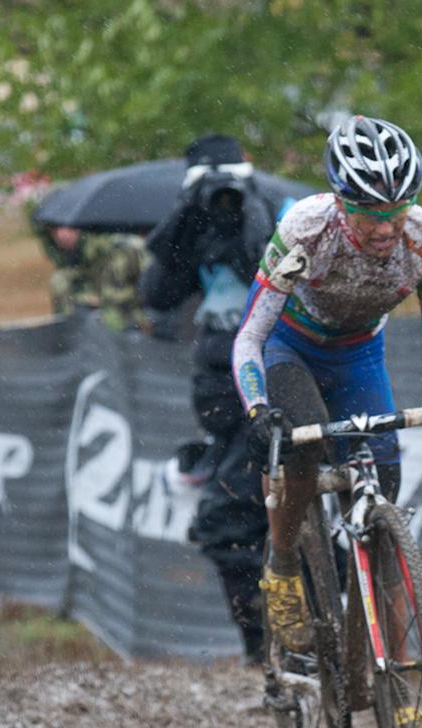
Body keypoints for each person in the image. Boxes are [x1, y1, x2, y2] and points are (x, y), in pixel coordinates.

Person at [231, 116, 422, 668]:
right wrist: (257, 409)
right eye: (371, 215)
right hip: (289, 350)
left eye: (396, 212)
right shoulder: (304, 229)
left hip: (358, 356)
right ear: (342, 203)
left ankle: (399, 679)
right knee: (302, 449)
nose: (386, 229)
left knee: (381, 496)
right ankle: (283, 565)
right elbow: (249, 335)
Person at [140, 133, 284, 664]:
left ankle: (291, 634)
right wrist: (185, 217)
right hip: (220, 391)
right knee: (231, 520)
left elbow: (268, 268)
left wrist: (250, 212)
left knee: (233, 517)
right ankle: (262, 642)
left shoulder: (274, 209)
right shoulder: (192, 222)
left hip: (279, 375)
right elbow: (156, 295)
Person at [40, 224, 148, 332]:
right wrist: (87, 299)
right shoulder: (70, 257)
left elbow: (123, 290)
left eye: (68, 228)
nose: (61, 235)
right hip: (102, 310)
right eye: (55, 230)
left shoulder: (115, 248)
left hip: (133, 312)